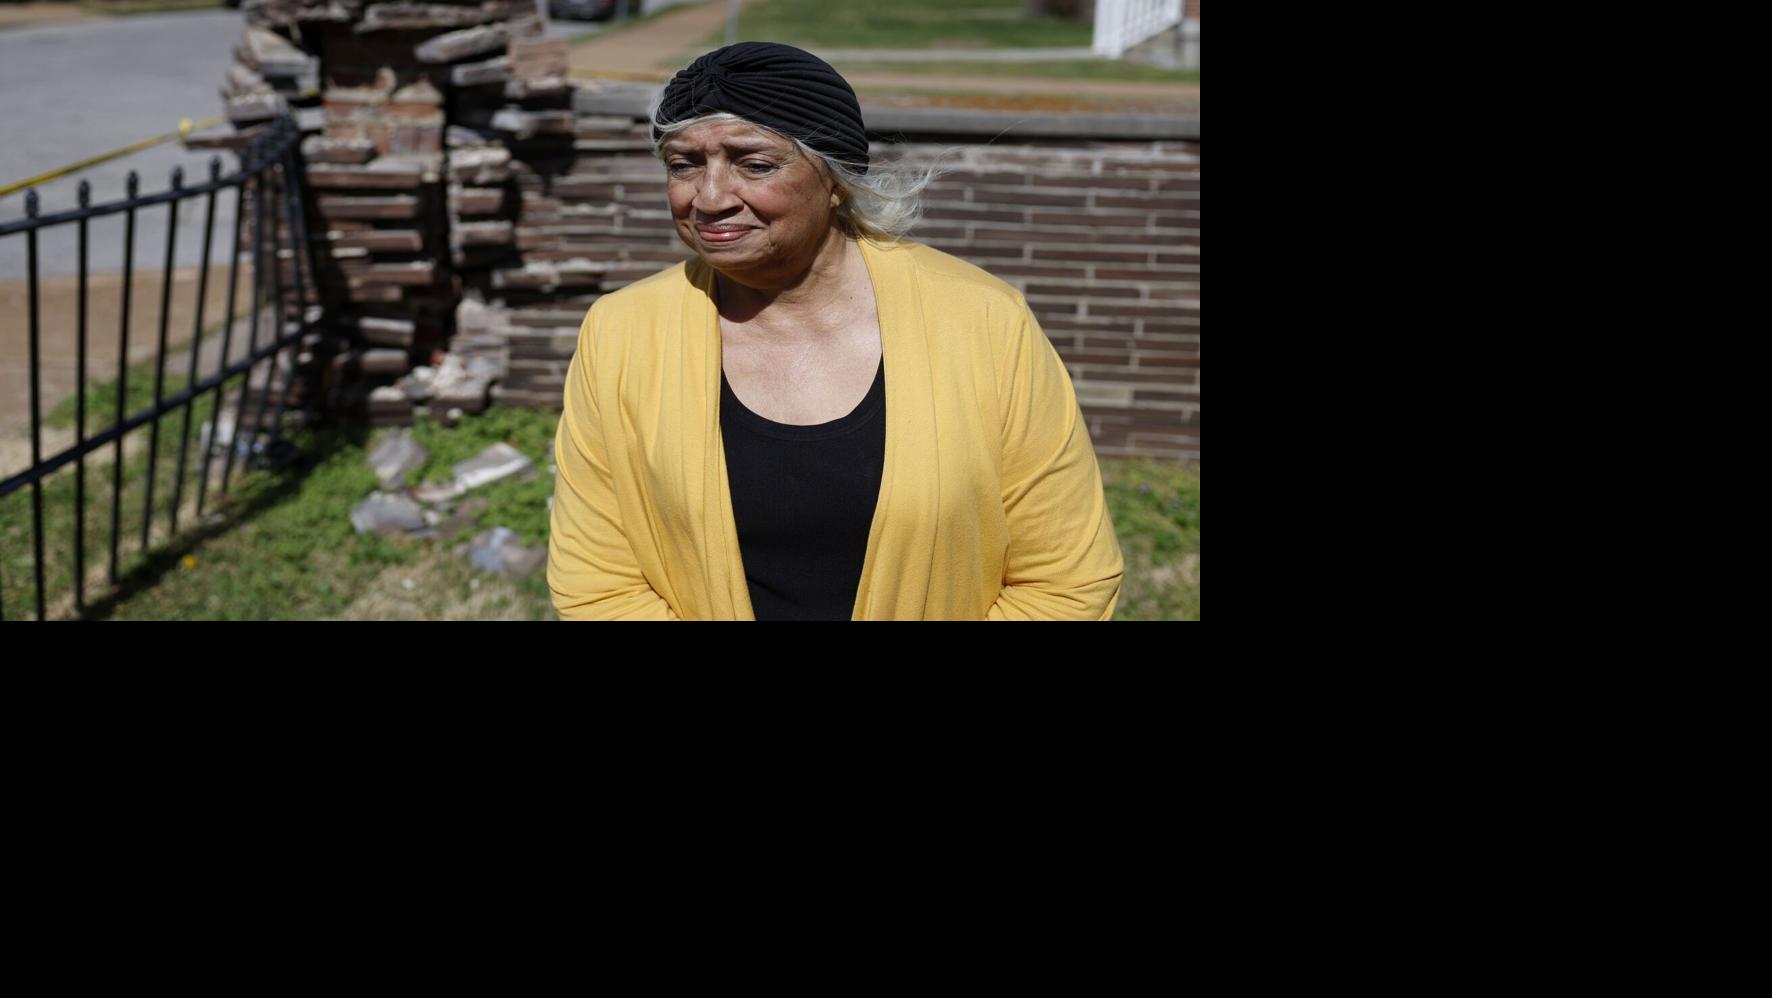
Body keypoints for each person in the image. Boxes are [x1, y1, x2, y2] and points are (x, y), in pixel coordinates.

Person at [547, 41, 1122, 620]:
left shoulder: (983, 321)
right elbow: (597, 585)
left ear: (836, 178)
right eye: (684, 164)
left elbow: (1067, 581)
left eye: (755, 163)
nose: (710, 198)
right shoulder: (623, 333)